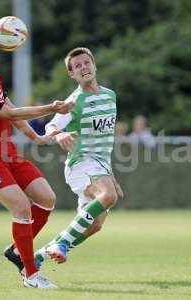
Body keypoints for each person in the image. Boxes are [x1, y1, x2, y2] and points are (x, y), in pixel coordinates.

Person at [0, 36, 73, 289]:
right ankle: (31, 275)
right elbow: (10, 114)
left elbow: (6, 103)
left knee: (47, 198)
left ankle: (16, 251)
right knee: (21, 207)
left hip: (9, 154)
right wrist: (51, 107)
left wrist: (35, 137)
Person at [34, 47, 123, 268]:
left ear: (94, 65)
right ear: (72, 74)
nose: (83, 67)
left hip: (99, 165)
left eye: (86, 62)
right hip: (81, 163)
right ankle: (62, 244)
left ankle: (38, 257)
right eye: (77, 66)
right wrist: (60, 133)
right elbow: (51, 125)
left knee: (95, 225)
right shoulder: (74, 101)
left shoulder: (109, 96)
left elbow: (104, 141)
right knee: (108, 196)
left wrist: (110, 175)